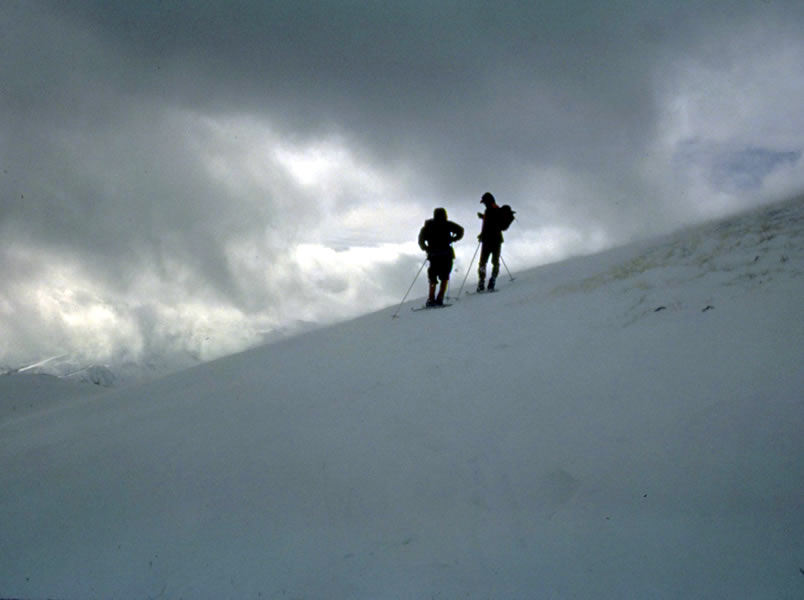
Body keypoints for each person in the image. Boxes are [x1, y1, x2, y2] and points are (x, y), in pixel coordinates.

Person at [418, 207, 464, 306]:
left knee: (433, 277)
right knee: (444, 276)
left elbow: (421, 239)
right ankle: (440, 298)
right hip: (446, 255)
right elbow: (460, 230)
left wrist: (426, 248)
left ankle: (431, 299)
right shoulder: (447, 224)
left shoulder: (428, 226)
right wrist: (454, 238)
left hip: (433, 255)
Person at [476, 192, 504, 291]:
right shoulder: (497, 209)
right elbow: (494, 222)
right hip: (497, 239)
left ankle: (481, 282)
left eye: (484, 202)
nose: (483, 204)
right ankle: (492, 280)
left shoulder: (489, 210)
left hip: (487, 240)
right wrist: (483, 217)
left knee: (483, 262)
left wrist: (482, 235)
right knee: (495, 261)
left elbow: (489, 224)